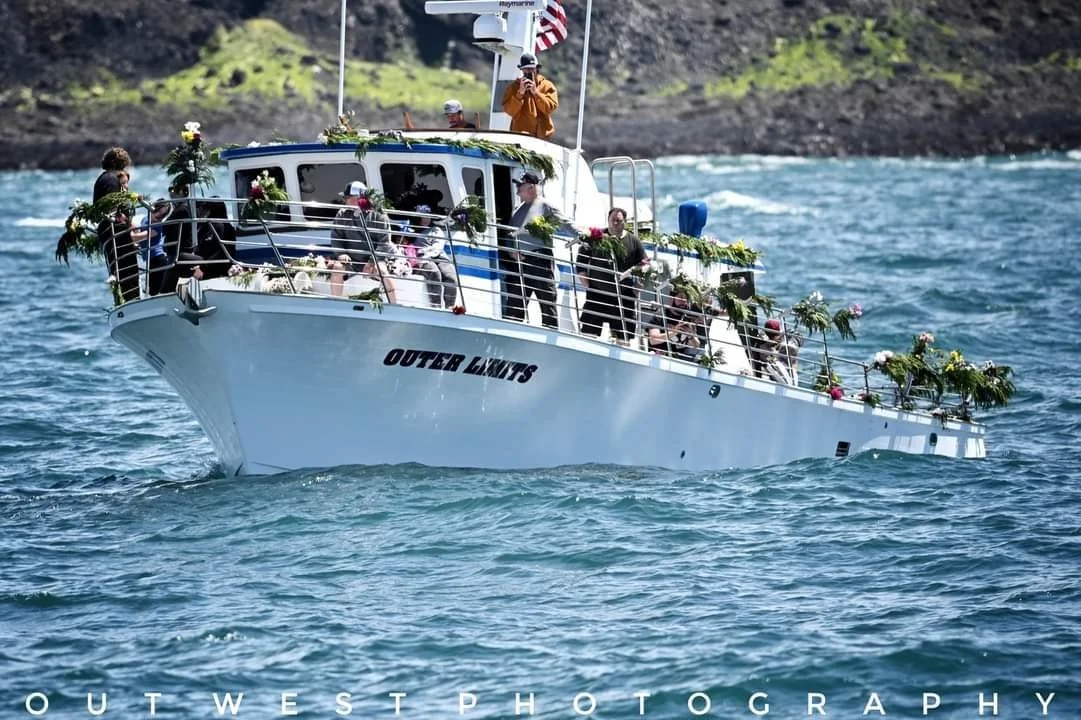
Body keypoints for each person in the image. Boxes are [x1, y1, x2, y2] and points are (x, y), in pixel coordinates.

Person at [505, 171, 570, 329]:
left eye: (521, 185)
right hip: (522, 263)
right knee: (515, 304)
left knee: (547, 301)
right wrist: (511, 251)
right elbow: (509, 236)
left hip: (541, 260)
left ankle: (550, 334)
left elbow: (566, 224)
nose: (518, 189)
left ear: (532, 187)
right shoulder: (518, 211)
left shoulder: (546, 206)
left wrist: (586, 235)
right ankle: (510, 334)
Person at [577, 207, 648, 344]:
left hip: (623, 297)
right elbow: (581, 262)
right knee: (588, 336)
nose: (615, 223)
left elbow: (645, 265)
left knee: (623, 340)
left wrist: (636, 289)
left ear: (625, 222)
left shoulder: (633, 241)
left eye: (619, 221)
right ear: (608, 220)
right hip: (597, 294)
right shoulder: (596, 236)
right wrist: (587, 285)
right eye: (613, 220)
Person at [330, 181, 397, 303]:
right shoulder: (342, 214)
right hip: (352, 260)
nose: (345, 200)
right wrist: (341, 253)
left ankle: (395, 306)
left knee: (382, 272)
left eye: (347, 198)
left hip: (376, 259)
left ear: (359, 199)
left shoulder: (378, 215)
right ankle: (336, 303)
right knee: (337, 268)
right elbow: (336, 237)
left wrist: (372, 261)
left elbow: (385, 242)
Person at [407, 204, 458, 309]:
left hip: (439, 257)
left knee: (451, 277)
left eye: (428, 216)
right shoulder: (411, 232)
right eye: (423, 217)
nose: (426, 219)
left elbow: (437, 246)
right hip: (421, 259)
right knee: (434, 273)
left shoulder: (435, 230)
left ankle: (450, 306)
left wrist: (426, 254)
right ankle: (436, 306)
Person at [500, 53, 558, 139]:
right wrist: (520, 94)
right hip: (520, 136)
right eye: (526, 69)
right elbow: (509, 111)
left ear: (537, 69)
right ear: (521, 70)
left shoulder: (547, 85)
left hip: (543, 137)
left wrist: (536, 93)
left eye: (531, 69)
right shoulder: (514, 87)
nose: (529, 72)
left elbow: (549, 108)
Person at [646, 291, 706, 360]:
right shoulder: (660, 315)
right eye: (681, 297)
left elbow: (696, 345)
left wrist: (690, 335)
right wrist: (674, 332)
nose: (684, 301)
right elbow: (653, 340)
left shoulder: (687, 319)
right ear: (672, 299)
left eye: (686, 299)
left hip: (680, 359)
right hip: (660, 357)